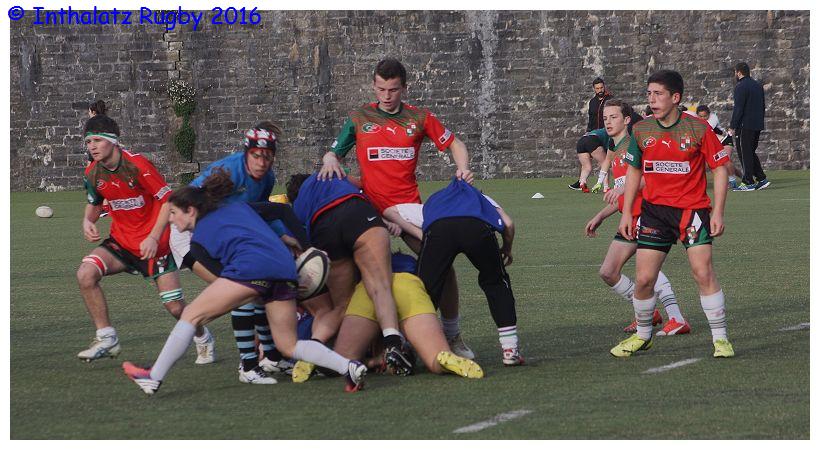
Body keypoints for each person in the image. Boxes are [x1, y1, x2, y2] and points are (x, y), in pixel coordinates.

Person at [122, 169, 368, 395]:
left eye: (174, 213)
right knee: (289, 345)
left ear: (191, 210)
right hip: (285, 270)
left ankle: (153, 376)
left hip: (252, 268)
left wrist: (252, 292)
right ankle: (348, 367)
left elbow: (226, 279)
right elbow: (281, 211)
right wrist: (305, 250)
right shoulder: (239, 207)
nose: (171, 220)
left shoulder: (198, 243)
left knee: (191, 315)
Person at [318, 58, 475, 359]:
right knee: (357, 275)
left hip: (407, 208)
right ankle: (364, 344)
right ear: (374, 86)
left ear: (404, 87)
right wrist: (328, 158)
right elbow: (334, 154)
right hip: (368, 210)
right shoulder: (359, 118)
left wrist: (463, 169)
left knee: (443, 265)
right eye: (381, 89)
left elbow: (455, 144)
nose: (386, 96)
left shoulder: (419, 117)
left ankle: (452, 334)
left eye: (392, 90)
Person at [169, 123, 307, 383]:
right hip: (191, 237)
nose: (262, 162)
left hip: (227, 236)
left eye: (267, 156)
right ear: (246, 153)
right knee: (242, 292)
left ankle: (272, 358)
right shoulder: (230, 170)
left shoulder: (267, 178)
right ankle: (248, 364)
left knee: (258, 289)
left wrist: (282, 234)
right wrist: (153, 237)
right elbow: (178, 201)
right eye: (256, 155)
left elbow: (261, 211)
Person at [614, 69, 734, 358]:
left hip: (692, 212)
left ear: (675, 97)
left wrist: (718, 212)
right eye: (649, 94)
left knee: (702, 272)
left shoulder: (698, 128)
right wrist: (627, 213)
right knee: (644, 279)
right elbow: (634, 171)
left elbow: (720, 169)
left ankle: (720, 340)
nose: (652, 100)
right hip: (654, 213)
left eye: (658, 94)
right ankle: (644, 336)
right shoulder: (642, 130)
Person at [76, 114, 214, 363]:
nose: (92, 147)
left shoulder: (138, 165)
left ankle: (203, 337)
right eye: (88, 142)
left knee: (175, 308)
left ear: (113, 141)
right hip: (122, 243)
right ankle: (106, 337)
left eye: (97, 140)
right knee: (86, 274)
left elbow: (168, 201)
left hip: (155, 246)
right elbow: (95, 203)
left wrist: (153, 237)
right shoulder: (92, 172)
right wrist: (88, 220)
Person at [287, 172, 415, 378]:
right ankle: (392, 345)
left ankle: (312, 350)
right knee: (379, 287)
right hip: (357, 212)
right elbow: (367, 183)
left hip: (323, 226)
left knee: (342, 305)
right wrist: (383, 218)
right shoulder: (328, 174)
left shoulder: (299, 206)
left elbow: (304, 246)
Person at [584, 99, 690, 336]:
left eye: (614, 117)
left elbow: (650, 177)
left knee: (647, 268)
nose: (608, 122)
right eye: (605, 118)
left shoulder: (635, 145)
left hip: (648, 215)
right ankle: (648, 312)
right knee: (608, 271)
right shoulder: (617, 150)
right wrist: (601, 215)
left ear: (626, 120)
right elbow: (625, 194)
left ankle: (677, 318)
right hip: (630, 219)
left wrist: (622, 188)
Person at [414, 178, 525, 366]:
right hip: (475, 227)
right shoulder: (480, 196)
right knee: (496, 282)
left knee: (424, 289)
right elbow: (508, 224)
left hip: (440, 229)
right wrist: (507, 248)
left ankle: (410, 347)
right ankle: (510, 349)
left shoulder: (437, 197)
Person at [334, 251, 483, 379]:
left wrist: (372, 359)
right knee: (436, 357)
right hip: (409, 285)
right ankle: (442, 357)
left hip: (369, 289)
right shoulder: (409, 262)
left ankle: (372, 361)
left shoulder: (363, 255)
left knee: (339, 360)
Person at [729, 62, 770, 191]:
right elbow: (762, 106)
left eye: (735, 72)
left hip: (744, 125)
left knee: (744, 152)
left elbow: (739, 108)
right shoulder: (757, 85)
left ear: (738, 72)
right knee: (750, 151)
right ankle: (761, 178)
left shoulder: (740, 86)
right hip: (756, 124)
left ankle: (748, 182)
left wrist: (732, 126)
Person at [696, 104, 743, 188]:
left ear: (709, 114)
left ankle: (732, 181)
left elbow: (705, 128)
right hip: (713, 143)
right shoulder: (695, 120)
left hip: (724, 140)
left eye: (705, 116)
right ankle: (743, 176)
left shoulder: (713, 118)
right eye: (700, 116)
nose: (703, 118)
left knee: (726, 160)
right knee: (725, 163)